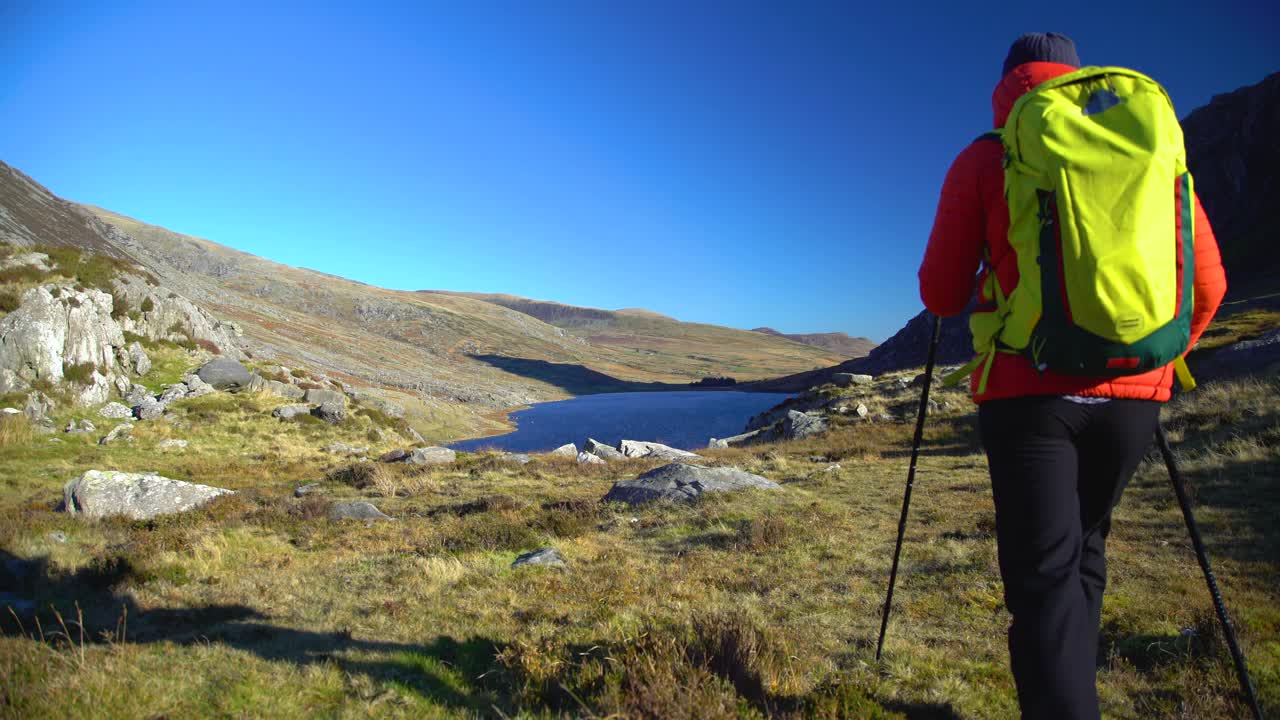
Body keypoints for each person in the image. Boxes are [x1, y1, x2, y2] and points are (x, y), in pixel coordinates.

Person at [917, 33, 1227, 719]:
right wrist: (1154, 359)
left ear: (1007, 84)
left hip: (1031, 395)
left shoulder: (986, 156)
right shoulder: (1147, 150)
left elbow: (940, 294)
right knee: (1086, 550)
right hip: (1135, 401)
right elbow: (1208, 284)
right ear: (1077, 77)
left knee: (1043, 579)